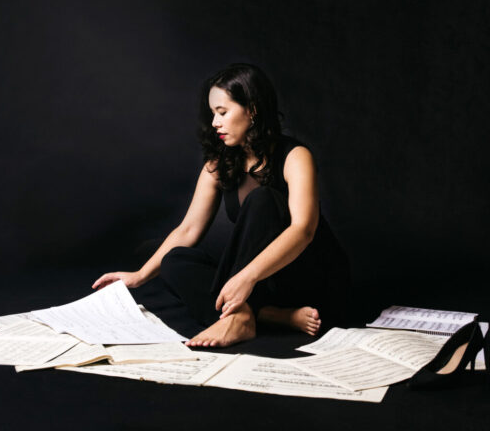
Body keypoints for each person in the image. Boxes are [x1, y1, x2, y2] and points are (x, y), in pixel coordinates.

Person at [92, 63, 349, 348]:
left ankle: (242, 317)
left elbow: (303, 230)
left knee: (262, 198)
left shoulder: (295, 156)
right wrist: (139, 276)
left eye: (222, 113)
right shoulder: (219, 164)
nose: (215, 123)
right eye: (213, 113)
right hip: (260, 286)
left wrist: (246, 277)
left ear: (251, 110)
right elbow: (189, 229)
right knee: (175, 260)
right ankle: (266, 315)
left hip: (305, 276)